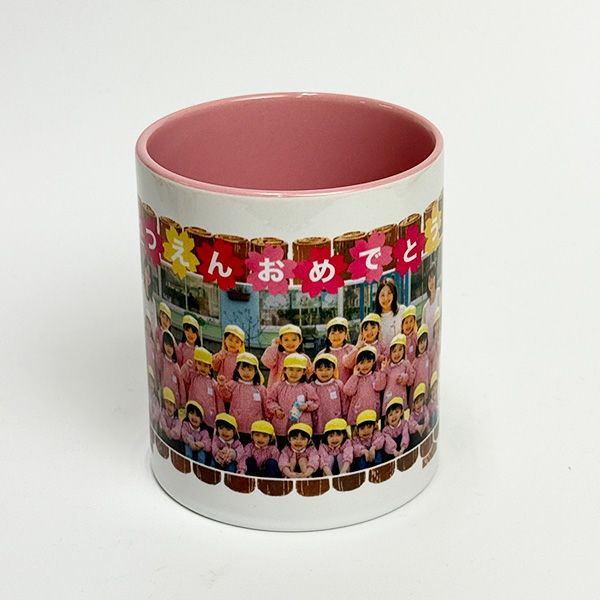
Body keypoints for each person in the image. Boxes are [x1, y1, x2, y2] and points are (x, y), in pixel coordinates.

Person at [265, 353, 319, 448]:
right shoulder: (278, 386)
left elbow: (315, 401)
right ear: (285, 370)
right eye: (291, 369)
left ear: (304, 372)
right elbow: (270, 400)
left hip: (301, 423)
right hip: (282, 422)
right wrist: (276, 409)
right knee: (281, 446)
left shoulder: (307, 387)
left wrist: (307, 405)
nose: (294, 373)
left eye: (298, 370)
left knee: (300, 445)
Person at [216, 352, 267, 444]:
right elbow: (225, 397)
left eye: (250, 370)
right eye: (243, 369)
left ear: (255, 371)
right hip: (236, 426)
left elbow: (266, 407)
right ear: (237, 369)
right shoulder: (233, 384)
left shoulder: (260, 389)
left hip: (254, 429)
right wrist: (222, 385)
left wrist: (267, 421)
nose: (246, 373)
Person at [181, 346, 222, 434]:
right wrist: (186, 366)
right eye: (200, 364)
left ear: (210, 367)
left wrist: (220, 416)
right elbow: (183, 376)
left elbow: (219, 402)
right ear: (196, 363)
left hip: (208, 419)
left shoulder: (213, 384)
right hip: (193, 414)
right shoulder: (193, 376)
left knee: (207, 437)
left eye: (205, 365)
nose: (202, 368)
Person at [343, 346, 386, 425]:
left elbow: (380, 386)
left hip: (372, 412)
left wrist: (382, 371)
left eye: (368, 361)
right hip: (357, 413)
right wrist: (355, 376)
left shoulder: (376, 375)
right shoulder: (356, 378)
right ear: (357, 364)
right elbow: (347, 391)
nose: (365, 365)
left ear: (373, 362)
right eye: (362, 362)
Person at [261, 324, 313, 388]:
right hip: (277, 391)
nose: (290, 343)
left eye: (294, 340)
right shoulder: (277, 355)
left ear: (300, 340)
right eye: (286, 340)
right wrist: (274, 346)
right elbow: (267, 362)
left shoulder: (304, 358)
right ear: (280, 341)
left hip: (298, 391)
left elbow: (311, 374)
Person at [310, 353, 345, 438]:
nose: (324, 373)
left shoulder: (338, 384)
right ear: (315, 371)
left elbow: (344, 402)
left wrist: (345, 416)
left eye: (328, 369)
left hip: (335, 421)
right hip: (318, 423)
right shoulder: (311, 387)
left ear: (334, 369)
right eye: (320, 370)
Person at [381, 333, 415, 413]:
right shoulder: (388, 366)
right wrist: (383, 370)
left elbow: (411, 379)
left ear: (404, 350)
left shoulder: (405, 363)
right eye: (394, 351)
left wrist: (404, 377)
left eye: (400, 350)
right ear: (390, 353)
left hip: (401, 397)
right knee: (389, 413)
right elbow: (382, 383)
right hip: (389, 397)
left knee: (400, 414)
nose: (397, 353)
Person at [316, 317, 355, 383]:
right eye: (333, 333)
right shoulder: (322, 354)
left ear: (346, 334)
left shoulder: (352, 350)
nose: (336, 336)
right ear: (328, 336)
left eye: (340, 332)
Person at [157, 330, 186, 410]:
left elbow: (181, 385)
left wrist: (183, 402)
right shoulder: (162, 360)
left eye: (171, 346)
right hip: (164, 397)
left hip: (175, 401)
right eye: (166, 344)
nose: (168, 348)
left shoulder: (175, 366)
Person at [374, 278, 406, 348]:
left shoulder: (402, 311)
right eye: (382, 295)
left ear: (394, 294)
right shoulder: (375, 319)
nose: (386, 298)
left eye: (389, 293)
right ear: (378, 297)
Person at [158, 386, 182, 452]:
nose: (169, 406)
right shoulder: (163, 413)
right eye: (167, 402)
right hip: (164, 436)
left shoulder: (177, 420)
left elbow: (178, 430)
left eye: (171, 404)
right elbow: (162, 421)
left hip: (173, 440)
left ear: (175, 408)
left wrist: (171, 433)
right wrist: (166, 430)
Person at [408, 383, 430, 449]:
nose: (419, 404)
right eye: (416, 402)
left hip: (424, 428)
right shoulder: (412, 414)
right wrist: (417, 427)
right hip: (416, 432)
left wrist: (425, 425)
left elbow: (427, 416)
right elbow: (410, 425)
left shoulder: (424, 408)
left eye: (421, 400)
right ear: (413, 405)